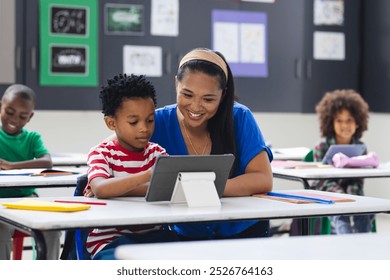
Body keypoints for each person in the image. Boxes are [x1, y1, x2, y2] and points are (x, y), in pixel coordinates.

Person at [150, 47, 273, 240]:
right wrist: (99, 178)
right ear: (176, 84)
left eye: (208, 99)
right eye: (187, 95)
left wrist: (201, 189)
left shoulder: (240, 117)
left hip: (243, 231)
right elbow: (109, 147)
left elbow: (263, 179)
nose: (196, 107)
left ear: (223, 95)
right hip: (185, 234)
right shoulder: (157, 122)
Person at [84, 74, 178, 260]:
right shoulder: (101, 154)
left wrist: (119, 189)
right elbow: (101, 189)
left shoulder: (157, 153)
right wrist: (148, 176)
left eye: (150, 120)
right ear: (112, 123)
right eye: (133, 122)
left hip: (154, 238)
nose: (144, 128)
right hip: (110, 241)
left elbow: (170, 188)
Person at [0, 84, 61, 260]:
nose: (14, 119)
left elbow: (47, 161)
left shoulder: (32, 138)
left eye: (22, 116)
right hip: (1, 201)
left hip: (27, 200)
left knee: (52, 228)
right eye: (9, 112)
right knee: (1, 230)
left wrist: (10, 165)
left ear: (30, 117)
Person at [312, 89, 373, 234]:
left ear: (358, 122)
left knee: (365, 211)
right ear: (330, 122)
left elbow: (358, 181)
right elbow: (321, 181)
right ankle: (346, 248)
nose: (345, 125)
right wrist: (341, 196)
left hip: (354, 196)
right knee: (341, 215)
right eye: (339, 120)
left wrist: (353, 199)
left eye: (349, 120)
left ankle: (365, 246)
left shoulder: (360, 148)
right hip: (329, 197)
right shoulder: (322, 147)